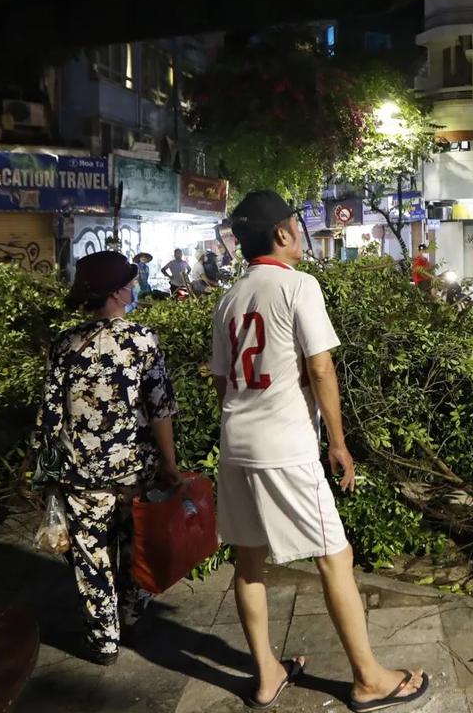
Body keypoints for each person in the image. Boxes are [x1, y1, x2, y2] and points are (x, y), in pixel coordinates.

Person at [209, 190, 430, 711]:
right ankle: (370, 679)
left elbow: (222, 382)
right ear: (282, 234)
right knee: (335, 555)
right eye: (296, 224)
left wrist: (248, 414)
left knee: (248, 560)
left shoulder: (229, 298)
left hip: (235, 441)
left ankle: (266, 674)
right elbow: (322, 367)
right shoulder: (298, 286)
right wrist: (338, 441)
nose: (302, 233)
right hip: (285, 445)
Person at [38, 251, 184, 666]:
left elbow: (50, 416)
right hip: (134, 470)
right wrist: (169, 463)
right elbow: (161, 410)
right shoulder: (142, 340)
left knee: (90, 555)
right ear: (118, 293)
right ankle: (131, 613)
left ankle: (104, 640)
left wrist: (47, 475)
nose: (134, 288)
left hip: (81, 474)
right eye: (130, 283)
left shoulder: (64, 345)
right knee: (137, 542)